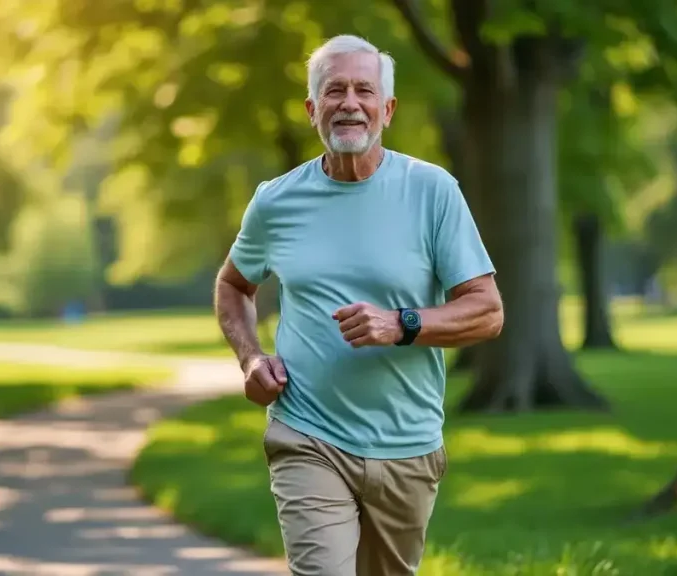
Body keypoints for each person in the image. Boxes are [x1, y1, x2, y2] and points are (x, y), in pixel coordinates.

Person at [213, 34, 504, 576]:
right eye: (334, 90)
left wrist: (402, 324)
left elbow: (487, 311)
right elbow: (233, 285)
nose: (349, 102)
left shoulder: (432, 191)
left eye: (364, 90)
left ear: (387, 109)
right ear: (312, 109)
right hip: (308, 435)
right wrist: (251, 358)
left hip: (407, 442)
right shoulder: (275, 201)